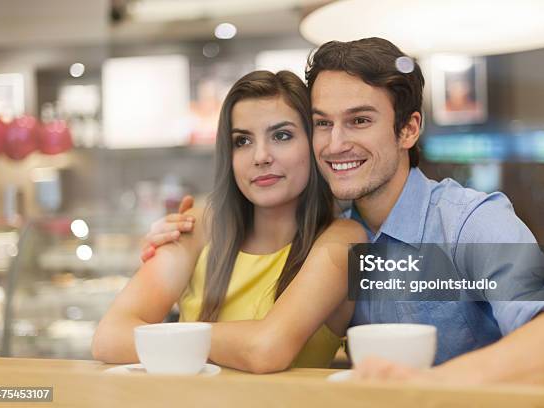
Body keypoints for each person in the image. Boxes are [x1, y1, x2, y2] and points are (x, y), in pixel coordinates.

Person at [145, 38, 544, 386]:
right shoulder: (332, 232)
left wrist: (431, 386)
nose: (335, 144)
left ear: (408, 129)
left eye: (359, 121)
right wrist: (186, 233)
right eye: (323, 123)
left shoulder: (466, 222)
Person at [91, 70, 367, 372]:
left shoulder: (344, 239)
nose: (260, 156)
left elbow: (265, 349)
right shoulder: (201, 222)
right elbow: (109, 338)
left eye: (281, 135)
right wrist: (227, 344)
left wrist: (166, 339)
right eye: (242, 141)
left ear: (314, 143)